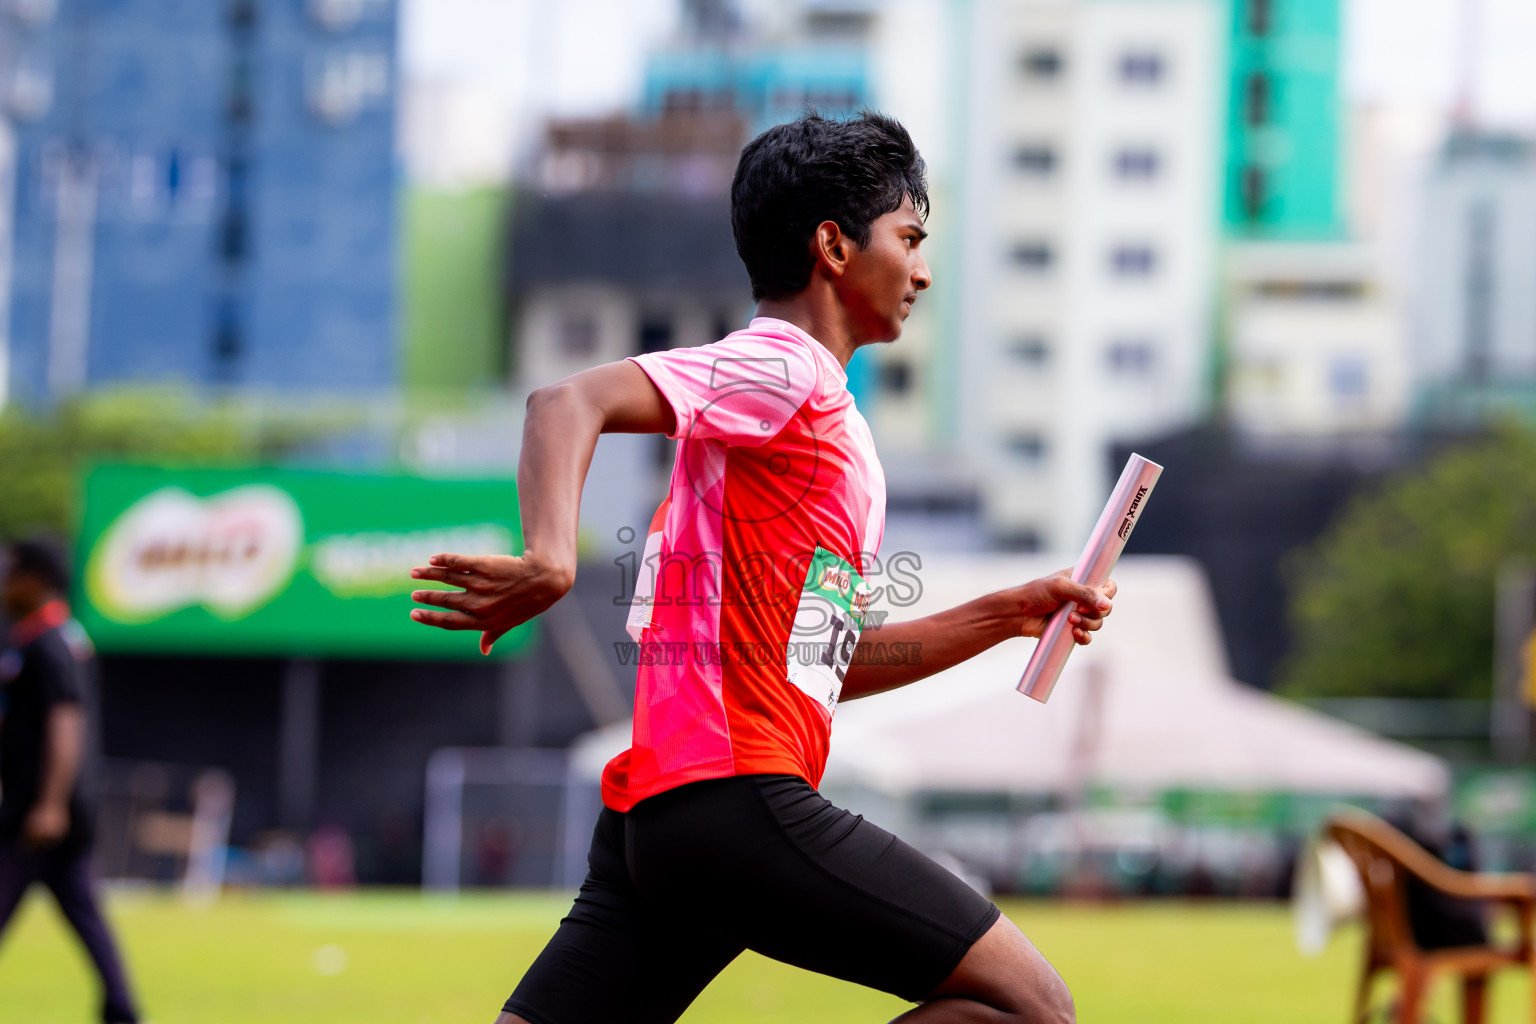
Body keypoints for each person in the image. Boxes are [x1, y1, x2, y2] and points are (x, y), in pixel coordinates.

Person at [410, 112, 1115, 1024]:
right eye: (910, 239)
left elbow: (821, 668)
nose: (924, 271)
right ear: (833, 245)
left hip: (662, 820)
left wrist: (1005, 613)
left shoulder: (832, 433)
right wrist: (551, 558)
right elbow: (565, 400)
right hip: (736, 798)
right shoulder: (788, 370)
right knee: (1033, 1007)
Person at [0, 538, 141, 1024]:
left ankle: (123, 1009)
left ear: (35, 579)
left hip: (38, 809)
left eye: (11, 571)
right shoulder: (62, 636)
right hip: (62, 808)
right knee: (83, 908)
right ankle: (122, 1009)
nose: (4, 581)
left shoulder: (48, 642)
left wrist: (49, 804)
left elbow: (65, 722)